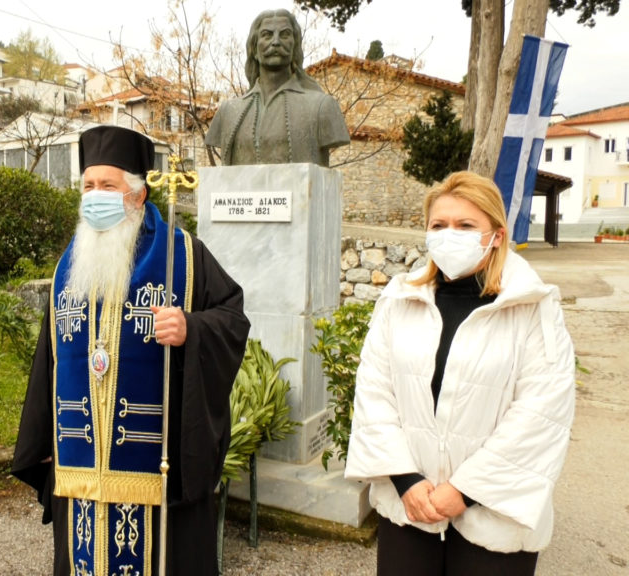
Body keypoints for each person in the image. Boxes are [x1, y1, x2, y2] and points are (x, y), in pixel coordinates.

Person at [12, 125, 251, 576]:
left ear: (138, 195)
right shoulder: (70, 265)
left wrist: (190, 328)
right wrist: (43, 439)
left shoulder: (183, 255)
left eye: (108, 186)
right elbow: (51, 357)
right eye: (88, 186)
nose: (95, 195)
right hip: (81, 462)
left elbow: (232, 319)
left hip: (157, 465)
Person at [344, 171, 576, 575]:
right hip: (409, 507)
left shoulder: (533, 307)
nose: (449, 235)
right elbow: (374, 393)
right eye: (439, 225)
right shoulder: (400, 298)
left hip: (495, 516)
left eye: (466, 225)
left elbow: (542, 412)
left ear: (497, 236)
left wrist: (465, 491)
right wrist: (405, 481)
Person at [205, 8, 350, 166]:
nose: (276, 42)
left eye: (285, 34)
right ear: (254, 49)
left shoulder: (322, 106)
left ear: (295, 46)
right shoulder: (228, 112)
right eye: (267, 35)